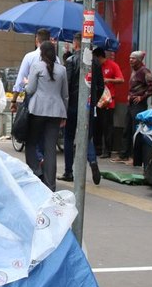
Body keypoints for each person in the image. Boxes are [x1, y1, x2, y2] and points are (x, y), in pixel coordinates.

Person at [11, 28, 60, 164]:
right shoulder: (56, 59)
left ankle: (38, 158)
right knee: (46, 134)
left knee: (32, 133)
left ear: (36, 40)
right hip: (52, 104)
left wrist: (14, 100)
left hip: (33, 101)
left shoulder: (30, 56)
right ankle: (43, 157)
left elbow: (20, 80)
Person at [24, 41, 68, 190]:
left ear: (41, 52)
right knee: (50, 149)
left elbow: (30, 90)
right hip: (56, 112)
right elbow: (65, 95)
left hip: (37, 110)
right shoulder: (62, 70)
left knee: (31, 142)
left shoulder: (36, 67)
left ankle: (36, 171)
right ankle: (50, 185)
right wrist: (64, 115)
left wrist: (25, 84)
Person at [59, 40, 103, 185]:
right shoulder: (95, 62)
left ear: (76, 44)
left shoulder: (71, 60)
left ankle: (68, 171)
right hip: (88, 105)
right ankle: (92, 161)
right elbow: (101, 85)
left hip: (72, 105)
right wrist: (94, 100)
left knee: (69, 137)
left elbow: (66, 85)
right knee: (87, 136)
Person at [117, 50, 152, 163]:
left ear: (139, 60)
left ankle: (134, 158)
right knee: (127, 130)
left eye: (133, 58)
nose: (130, 60)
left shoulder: (144, 71)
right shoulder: (135, 71)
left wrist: (142, 97)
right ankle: (123, 155)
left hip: (138, 106)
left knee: (136, 131)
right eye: (130, 58)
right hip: (131, 105)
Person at [96, 49, 125, 158]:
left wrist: (109, 80)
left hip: (108, 100)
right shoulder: (96, 67)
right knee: (97, 125)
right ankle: (98, 148)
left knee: (107, 126)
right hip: (97, 100)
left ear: (100, 57)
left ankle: (107, 150)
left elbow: (121, 79)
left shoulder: (112, 65)